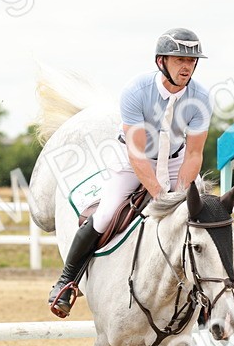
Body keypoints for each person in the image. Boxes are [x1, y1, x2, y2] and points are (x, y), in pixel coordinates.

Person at [47, 27, 213, 317]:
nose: (188, 66)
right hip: (134, 161)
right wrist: (161, 196)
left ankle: (208, 296)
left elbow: (194, 152)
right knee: (105, 214)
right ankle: (67, 281)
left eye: (192, 61)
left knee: (200, 217)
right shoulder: (136, 91)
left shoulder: (201, 97)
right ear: (161, 61)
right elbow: (137, 155)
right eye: (179, 60)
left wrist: (179, 194)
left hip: (176, 160)